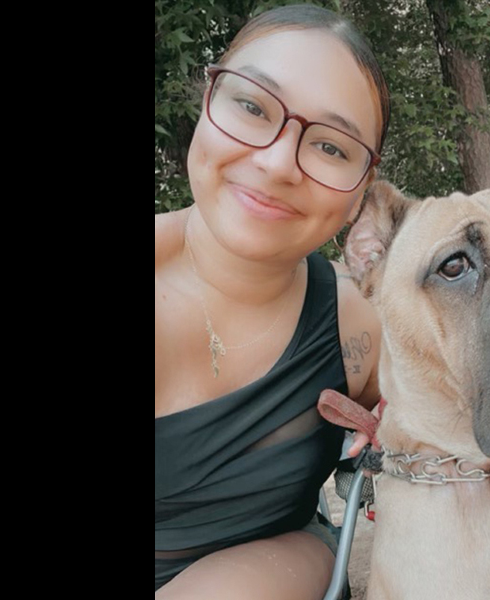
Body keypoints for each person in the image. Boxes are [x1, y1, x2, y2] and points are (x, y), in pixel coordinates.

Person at [155, 5, 389, 598]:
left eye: (331, 147)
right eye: (253, 107)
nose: (278, 162)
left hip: (275, 568)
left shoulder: (356, 325)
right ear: (208, 100)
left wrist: (407, 420)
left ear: (360, 191)